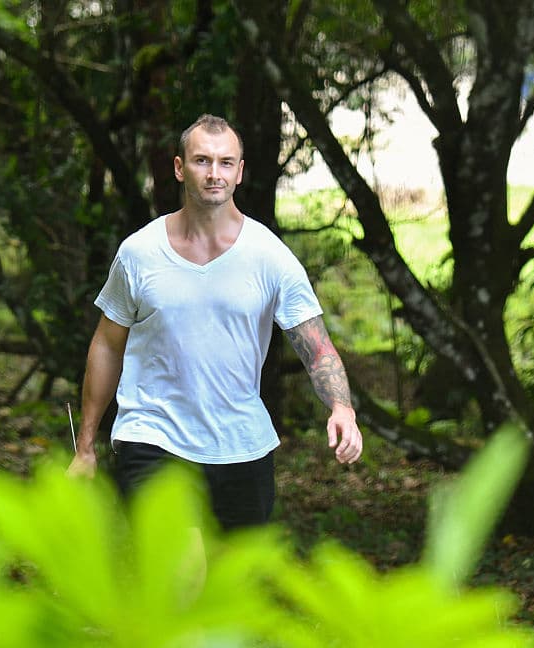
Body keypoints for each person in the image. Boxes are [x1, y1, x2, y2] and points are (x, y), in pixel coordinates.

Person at [67, 114, 362, 531]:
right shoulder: (139, 252)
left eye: (226, 163)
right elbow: (108, 344)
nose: (213, 174)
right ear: (178, 167)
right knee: (180, 574)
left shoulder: (269, 256)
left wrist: (342, 408)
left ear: (240, 172)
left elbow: (316, 346)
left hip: (241, 444)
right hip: (153, 436)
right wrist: (86, 444)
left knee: (231, 587)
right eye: (202, 161)